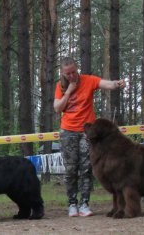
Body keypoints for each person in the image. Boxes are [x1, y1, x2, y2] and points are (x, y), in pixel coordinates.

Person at [53, 57, 126, 217]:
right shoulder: (61, 86)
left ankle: (84, 204)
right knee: (71, 170)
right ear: (63, 73)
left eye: (73, 72)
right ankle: (72, 204)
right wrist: (69, 91)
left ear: (77, 68)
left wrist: (117, 83)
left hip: (88, 133)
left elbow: (106, 84)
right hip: (68, 132)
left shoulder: (88, 80)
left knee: (86, 169)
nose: (71, 75)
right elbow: (57, 108)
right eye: (68, 74)